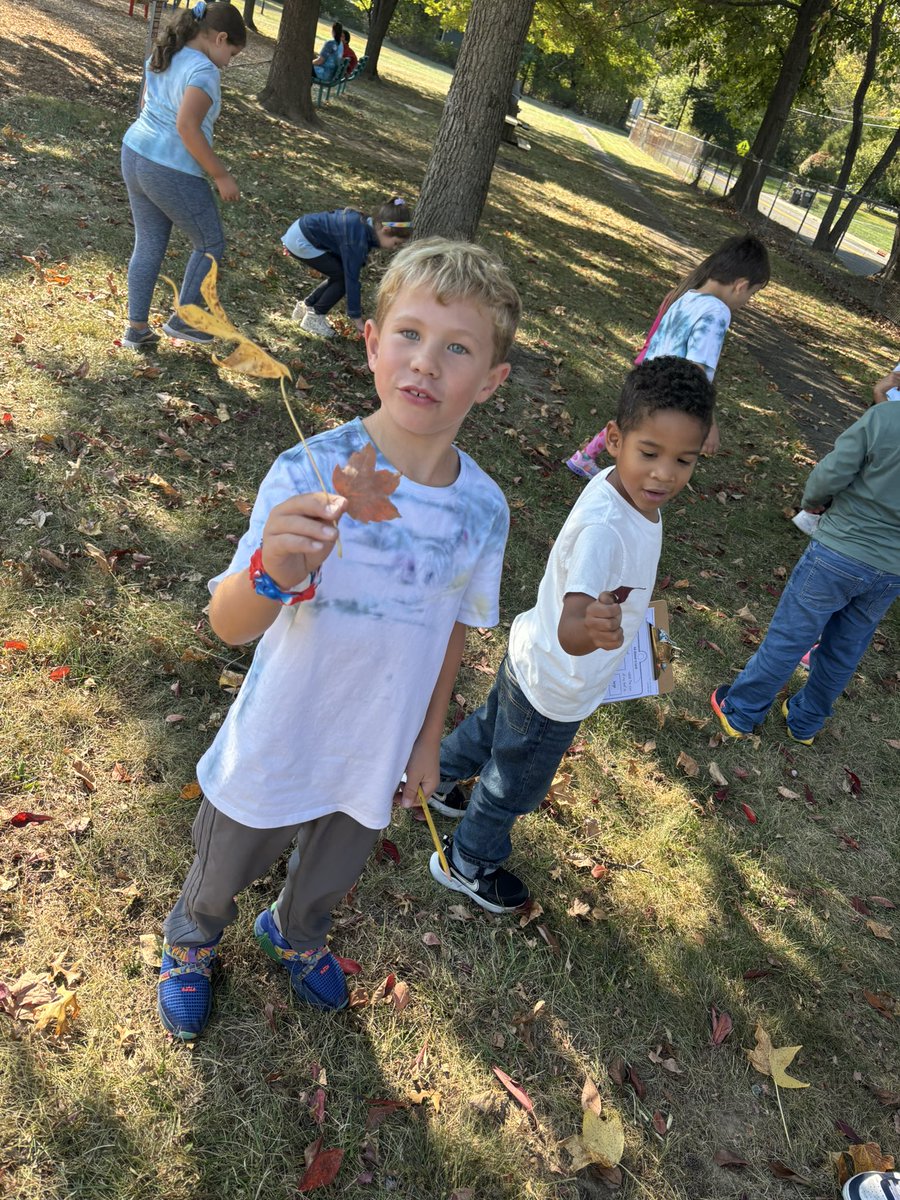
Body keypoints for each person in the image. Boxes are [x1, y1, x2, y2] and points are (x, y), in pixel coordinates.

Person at [156, 238, 521, 1039]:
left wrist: (429, 743)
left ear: (490, 381)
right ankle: (191, 941)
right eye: (410, 335)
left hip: (377, 744)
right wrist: (271, 570)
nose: (426, 362)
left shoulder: (484, 510)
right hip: (282, 730)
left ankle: (295, 931)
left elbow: (455, 631)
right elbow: (227, 624)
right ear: (370, 342)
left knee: (333, 867)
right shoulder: (306, 473)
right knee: (226, 861)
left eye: (457, 348)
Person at [426, 357, 716, 913]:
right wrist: (594, 628)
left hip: (528, 659)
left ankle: (438, 780)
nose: (664, 474)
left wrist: (634, 633)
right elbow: (571, 626)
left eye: (684, 460)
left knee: (492, 729)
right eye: (650, 454)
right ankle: (468, 860)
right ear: (613, 439)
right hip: (557, 684)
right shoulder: (608, 531)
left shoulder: (624, 490)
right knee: (515, 780)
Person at [711, 400, 900, 745]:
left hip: (839, 550)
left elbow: (832, 473)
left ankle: (740, 710)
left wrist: (813, 499)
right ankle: (806, 722)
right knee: (845, 648)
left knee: (791, 635)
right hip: (890, 570)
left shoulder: (885, 418)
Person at [566, 234, 770, 476]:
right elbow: (698, 369)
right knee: (652, 446)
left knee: (632, 428)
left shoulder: (686, 297)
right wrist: (709, 421)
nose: (747, 301)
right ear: (740, 285)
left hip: (647, 380)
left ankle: (587, 457)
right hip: (671, 394)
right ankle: (623, 481)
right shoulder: (717, 312)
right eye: (752, 294)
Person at [120, 1, 246, 350]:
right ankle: (185, 319)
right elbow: (187, 128)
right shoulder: (205, 71)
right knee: (210, 242)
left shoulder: (167, 52)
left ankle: (137, 330)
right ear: (220, 38)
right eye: (232, 54)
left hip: (134, 154)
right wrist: (220, 175)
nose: (229, 62)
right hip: (169, 167)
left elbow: (148, 105)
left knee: (148, 242)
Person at [282, 198, 412, 339]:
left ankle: (307, 306)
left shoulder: (366, 225)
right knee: (344, 279)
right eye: (395, 243)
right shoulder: (357, 240)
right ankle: (315, 316)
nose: (394, 248)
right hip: (303, 241)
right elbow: (352, 280)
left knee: (339, 275)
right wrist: (357, 320)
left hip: (301, 231)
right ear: (385, 229)